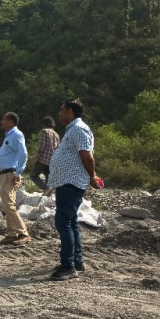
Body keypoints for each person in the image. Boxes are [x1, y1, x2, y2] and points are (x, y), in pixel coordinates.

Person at [47, 99, 101, 281]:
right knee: (70, 222)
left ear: (70, 112)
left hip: (72, 182)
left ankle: (67, 266)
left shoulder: (79, 129)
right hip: (66, 182)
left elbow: (87, 156)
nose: (59, 114)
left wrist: (93, 176)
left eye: (61, 110)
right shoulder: (72, 129)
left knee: (63, 223)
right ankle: (76, 261)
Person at [0, 112, 31, 246]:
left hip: (9, 174)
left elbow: (23, 154)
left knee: (8, 205)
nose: (2, 122)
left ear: (11, 122)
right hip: (4, 174)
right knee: (7, 204)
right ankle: (12, 234)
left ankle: (23, 233)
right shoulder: (9, 135)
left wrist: (17, 173)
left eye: (4, 120)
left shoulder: (16, 135)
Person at [31, 116, 60, 191]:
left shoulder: (44, 131)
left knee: (33, 175)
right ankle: (48, 192)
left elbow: (42, 146)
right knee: (48, 177)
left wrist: (36, 157)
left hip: (42, 159)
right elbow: (58, 149)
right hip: (51, 161)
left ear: (44, 124)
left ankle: (46, 188)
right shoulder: (56, 135)